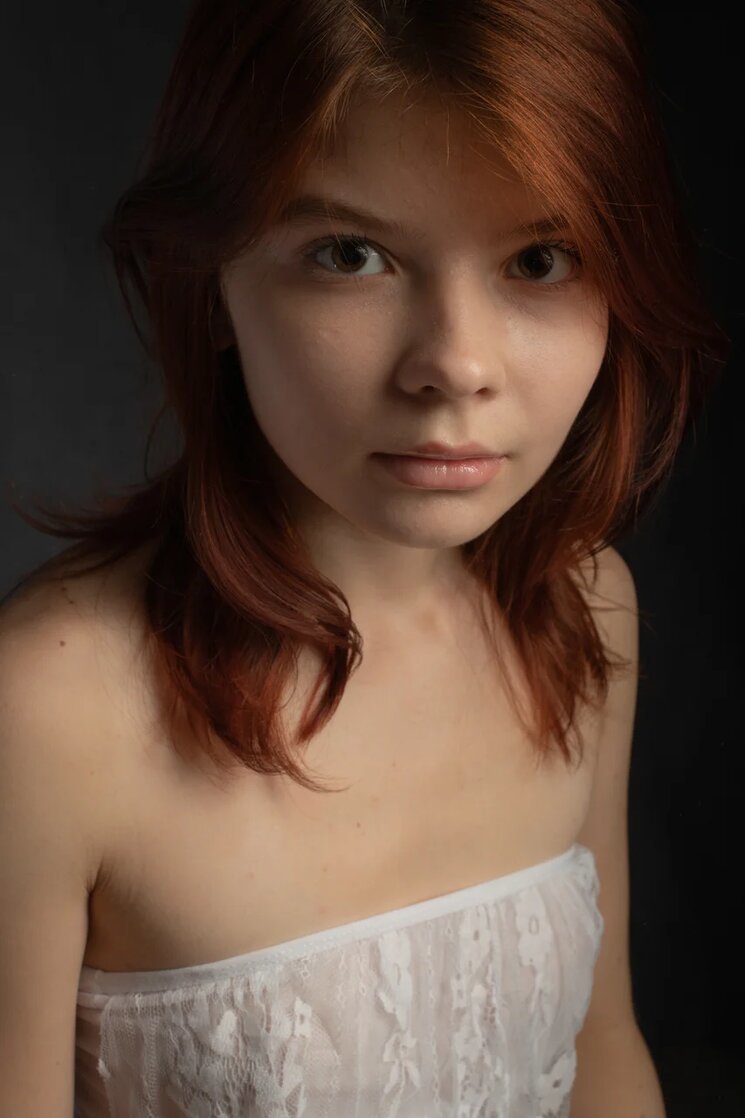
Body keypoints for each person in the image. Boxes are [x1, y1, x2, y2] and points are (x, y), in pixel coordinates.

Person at [0, 1, 728, 1115]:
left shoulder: (586, 606)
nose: (455, 365)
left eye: (539, 259)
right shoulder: (50, 710)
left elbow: (603, 1049)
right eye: (351, 255)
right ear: (210, 275)